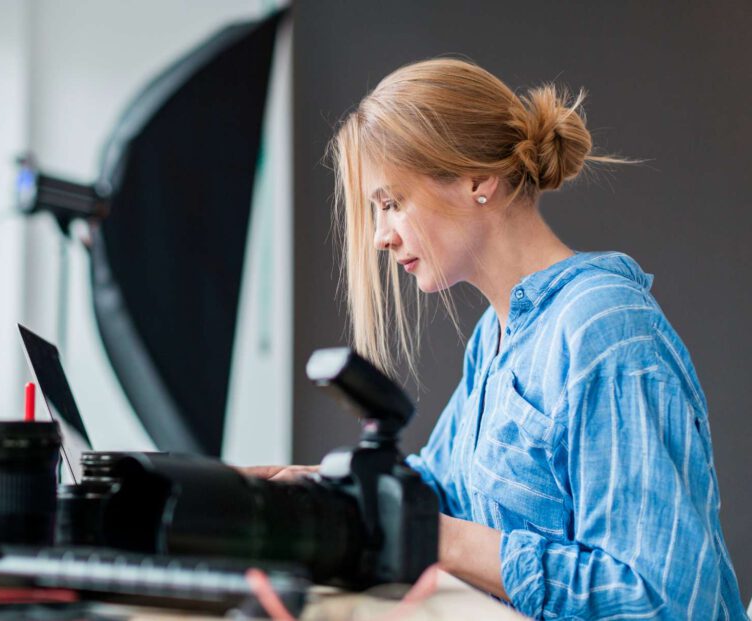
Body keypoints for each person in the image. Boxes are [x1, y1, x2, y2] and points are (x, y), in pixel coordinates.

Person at [248, 58, 745, 619]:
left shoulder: (604, 331)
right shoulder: (497, 337)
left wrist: (443, 541)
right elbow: (439, 491)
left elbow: (661, 599)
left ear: (477, 181)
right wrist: (307, 491)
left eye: (392, 203)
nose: (382, 237)